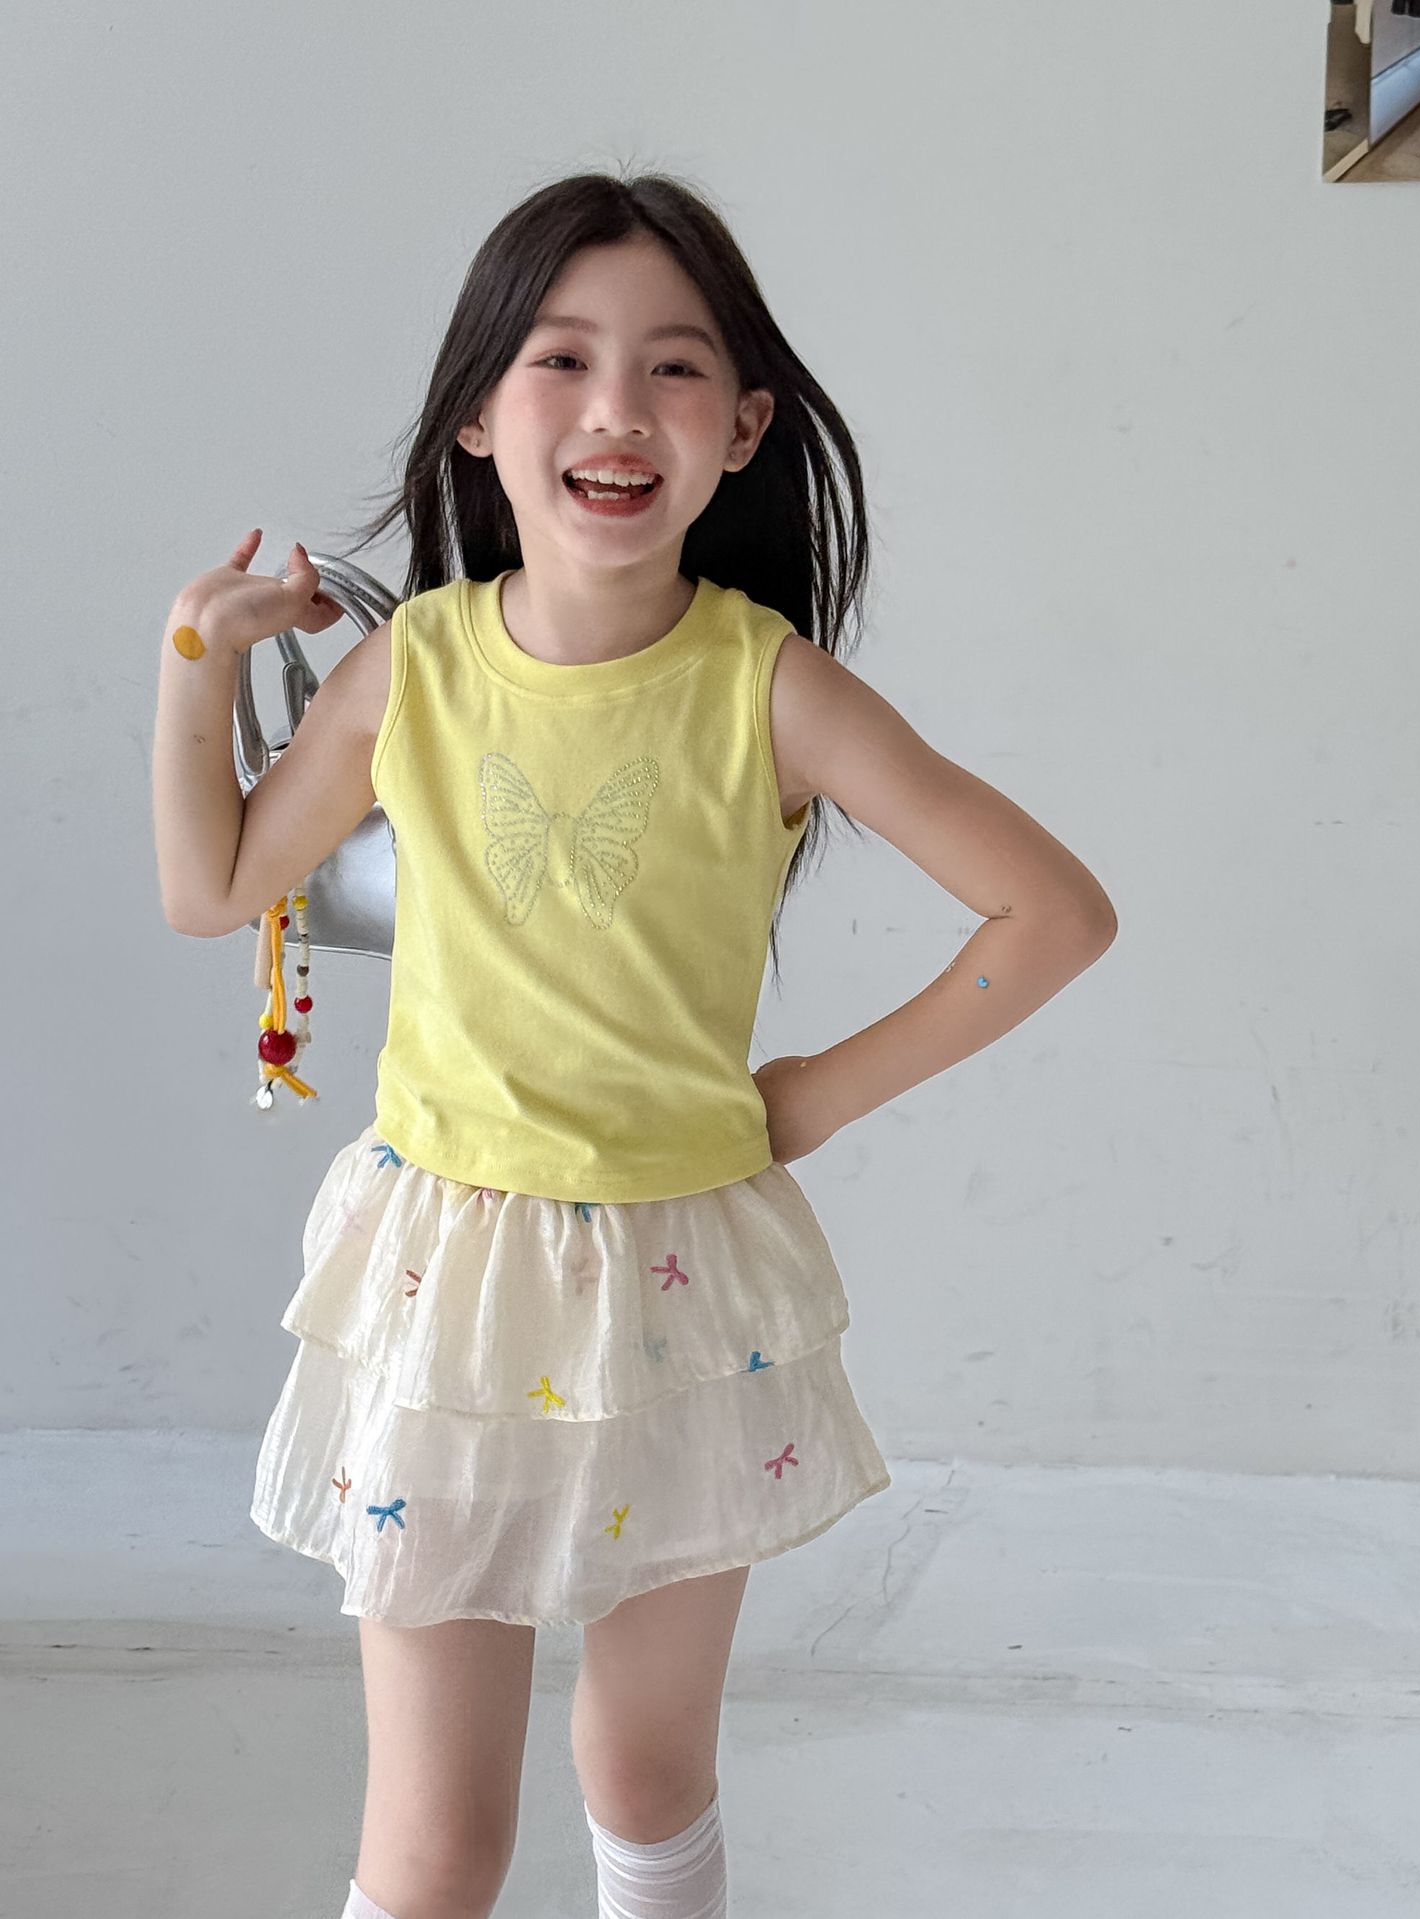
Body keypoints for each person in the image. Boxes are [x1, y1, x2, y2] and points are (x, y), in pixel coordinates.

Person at [151, 169, 1117, 1919]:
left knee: (648, 1772)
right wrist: (195, 662)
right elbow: (212, 887)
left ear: (743, 429)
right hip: (445, 1284)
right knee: (436, 1844)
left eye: (675, 367)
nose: (616, 407)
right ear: (476, 415)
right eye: (561, 358)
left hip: (683, 1295)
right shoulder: (414, 668)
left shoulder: (772, 687)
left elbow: (1052, 911)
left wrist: (814, 1096)